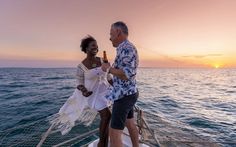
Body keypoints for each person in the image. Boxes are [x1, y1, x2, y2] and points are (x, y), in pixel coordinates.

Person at [51, 36, 111, 147]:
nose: (96, 47)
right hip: (92, 95)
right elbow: (79, 83)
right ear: (86, 48)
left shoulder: (103, 60)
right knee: (107, 115)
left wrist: (118, 88)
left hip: (105, 93)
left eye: (97, 45)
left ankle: (104, 142)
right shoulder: (81, 66)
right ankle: (102, 144)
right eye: (93, 45)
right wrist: (84, 91)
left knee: (107, 118)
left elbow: (109, 76)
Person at [101, 21, 139, 147]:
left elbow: (127, 74)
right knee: (131, 124)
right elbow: (123, 74)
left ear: (118, 32)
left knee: (114, 133)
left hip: (124, 97)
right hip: (130, 93)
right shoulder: (123, 48)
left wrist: (108, 68)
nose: (109, 37)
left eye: (111, 33)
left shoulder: (127, 48)